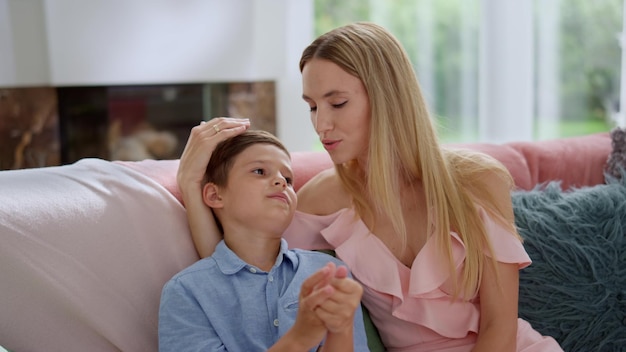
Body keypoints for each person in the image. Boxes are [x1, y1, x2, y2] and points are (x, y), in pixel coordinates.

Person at [176, 22, 563, 352]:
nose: (321, 124)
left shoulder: (479, 180)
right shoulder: (322, 199)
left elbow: (499, 325)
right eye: (312, 106)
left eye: (337, 103)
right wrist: (192, 183)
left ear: (388, 99)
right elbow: (243, 267)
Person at [159, 130, 369, 351]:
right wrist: (299, 338)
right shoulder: (187, 291)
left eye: (288, 180)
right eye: (259, 171)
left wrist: (341, 328)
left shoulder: (329, 272)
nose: (281, 181)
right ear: (215, 195)